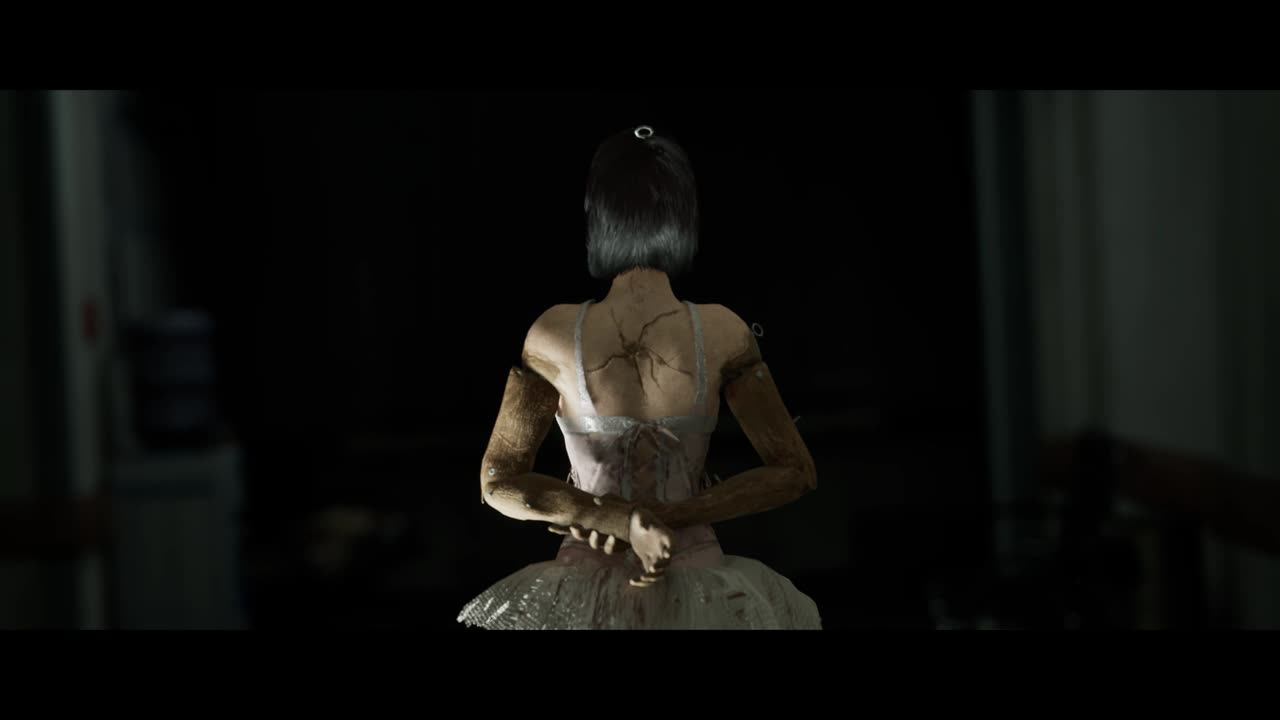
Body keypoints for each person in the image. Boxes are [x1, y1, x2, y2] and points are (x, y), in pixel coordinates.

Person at [458, 125, 821, 629]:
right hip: (700, 581)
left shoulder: (553, 332)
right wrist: (665, 518)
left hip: (588, 585)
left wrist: (613, 518)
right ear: (685, 215)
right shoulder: (724, 330)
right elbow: (794, 471)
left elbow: (499, 481)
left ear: (598, 215)